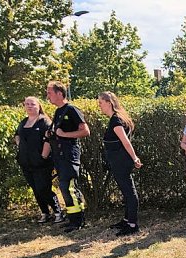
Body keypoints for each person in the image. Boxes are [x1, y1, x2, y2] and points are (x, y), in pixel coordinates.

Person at [46, 81, 90, 232]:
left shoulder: (71, 109)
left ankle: (78, 220)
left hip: (69, 154)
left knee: (69, 187)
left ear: (59, 93)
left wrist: (65, 134)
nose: (47, 96)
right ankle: (72, 218)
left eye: (50, 92)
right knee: (64, 187)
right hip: (59, 155)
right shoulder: (58, 111)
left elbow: (85, 131)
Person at [98, 92, 143, 236]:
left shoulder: (116, 121)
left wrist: (135, 158)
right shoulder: (117, 118)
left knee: (129, 191)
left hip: (121, 161)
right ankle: (126, 219)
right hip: (119, 160)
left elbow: (125, 142)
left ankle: (132, 224)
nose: (99, 106)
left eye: (101, 103)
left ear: (109, 103)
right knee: (126, 191)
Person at [14, 97, 63, 224]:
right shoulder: (23, 122)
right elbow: (17, 135)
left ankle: (58, 212)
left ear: (38, 106)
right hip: (26, 162)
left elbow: (49, 139)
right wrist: (20, 147)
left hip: (41, 163)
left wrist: (43, 156)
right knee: (35, 189)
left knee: (43, 188)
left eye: (32, 104)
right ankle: (45, 213)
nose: (29, 106)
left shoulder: (44, 122)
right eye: (27, 104)